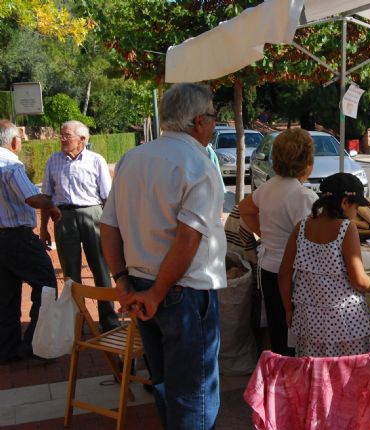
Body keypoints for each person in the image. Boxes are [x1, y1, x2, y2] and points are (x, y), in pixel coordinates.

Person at [100, 83, 226, 429]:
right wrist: (153, 292)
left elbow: (108, 227)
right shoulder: (199, 165)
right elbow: (188, 239)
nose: (215, 125)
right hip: (180, 291)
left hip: (145, 284)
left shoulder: (134, 157)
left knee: (167, 386)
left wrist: (123, 281)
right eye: (214, 118)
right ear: (199, 120)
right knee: (192, 396)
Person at [278, 173, 370, 357]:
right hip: (344, 321)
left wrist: (289, 309)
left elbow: (284, 273)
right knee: (345, 375)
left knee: (316, 374)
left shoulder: (302, 227)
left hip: (308, 321)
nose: (356, 212)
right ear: (345, 202)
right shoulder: (346, 228)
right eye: (356, 206)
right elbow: (359, 281)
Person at [238, 128, 317, 357]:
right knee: (294, 332)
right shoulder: (303, 196)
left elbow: (245, 208)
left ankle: (280, 375)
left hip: (268, 266)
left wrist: (264, 233)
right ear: (308, 163)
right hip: (292, 272)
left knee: (278, 329)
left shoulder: (269, 186)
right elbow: (311, 242)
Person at [40, 120, 119, 332]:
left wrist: (114, 228)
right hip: (63, 217)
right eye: (61, 135)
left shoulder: (96, 160)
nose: (62, 139)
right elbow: (46, 196)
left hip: (92, 213)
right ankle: (76, 322)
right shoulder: (53, 160)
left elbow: (107, 198)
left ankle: (109, 320)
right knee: (70, 273)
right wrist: (43, 227)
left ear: (82, 139)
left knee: (101, 268)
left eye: (67, 135)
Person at [0, 120, 61, 363]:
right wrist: (52, 204)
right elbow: (32, 198)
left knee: (6, 294)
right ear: (14, 141)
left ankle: (7, 349)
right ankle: (38, 345)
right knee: (46, 284)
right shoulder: (11, 166)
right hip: (18, 237)